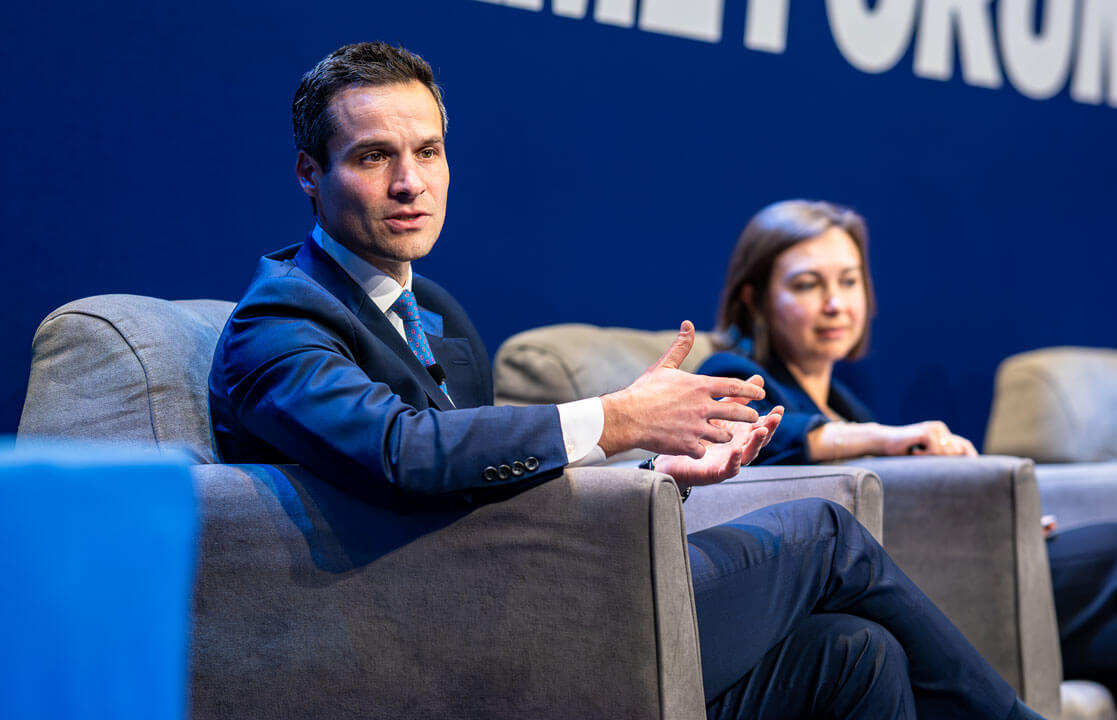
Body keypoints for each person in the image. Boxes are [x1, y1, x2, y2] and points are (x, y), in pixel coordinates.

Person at [209, 42, 1044, 719]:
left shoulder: (434, 311)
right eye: (373, 156)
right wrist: (615, 419)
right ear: (309, 174)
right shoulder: (277, 325)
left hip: (522, 590)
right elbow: (402, 451)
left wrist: (649, 473)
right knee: (824, 533)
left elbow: (473, 476)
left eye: (428, 151)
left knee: (858, 655)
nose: (411, 182)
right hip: (446, 633)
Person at [699, 199, 1117, 720]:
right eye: (807, 284)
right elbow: (776, 434)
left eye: (848, 280)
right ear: (754, 298)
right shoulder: (733, 373)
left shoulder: (846, 403)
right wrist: (884, 438)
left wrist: (995, 526)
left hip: (926, 571)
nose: (836, 303)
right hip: (882, 590)